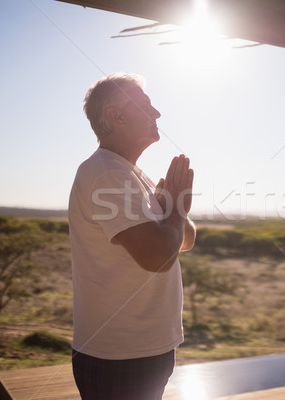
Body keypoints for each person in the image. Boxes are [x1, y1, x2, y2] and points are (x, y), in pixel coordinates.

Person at [68, 72, 196, 399]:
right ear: (116, 116)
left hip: (146, 349)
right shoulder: (106, 173)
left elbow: (184, 240)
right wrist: (177, 208)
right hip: (119, 357)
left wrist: (174, 210)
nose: (157, 114)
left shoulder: (133, 174)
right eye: (146, 106)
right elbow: (158, 257)